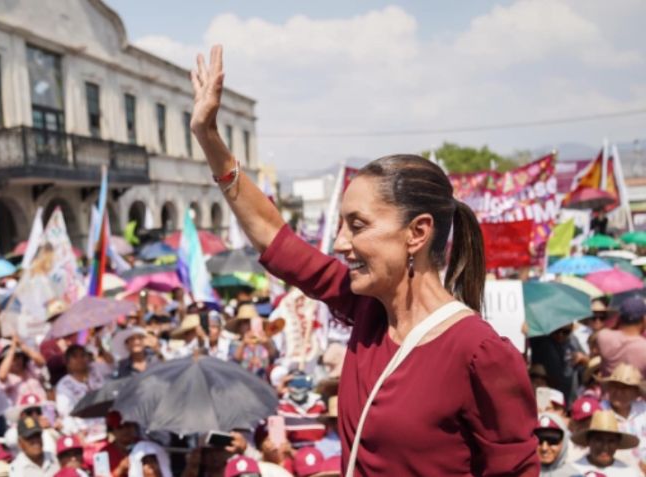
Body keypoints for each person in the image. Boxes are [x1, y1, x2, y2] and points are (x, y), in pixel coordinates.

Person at [188, 45, 538, 474]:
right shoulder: (368, 310)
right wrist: (208, 137)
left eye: (357, 225)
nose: (338, 243)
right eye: (340, 226)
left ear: (417, 233)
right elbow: (275, 240)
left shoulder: (480, 353)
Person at [558, 410, 640, 476]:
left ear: (617, 444)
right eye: (599, 440)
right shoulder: (572, 470)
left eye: (611, 441)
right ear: (589, 440)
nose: (605, 447)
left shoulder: (628, 473)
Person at [598, 363, 646, 469]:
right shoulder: (600, 411)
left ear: (636, 392)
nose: (619, 392)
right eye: (614, 386)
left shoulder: (643, 410)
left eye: (625, 388)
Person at [55, 344, 104, 435]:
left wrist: (100, 345)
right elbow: (65, 413)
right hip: (85, 431)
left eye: (82, 355)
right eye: (75, 357)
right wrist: (77, 432)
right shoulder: (64, 385)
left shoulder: (97, 371)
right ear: (67, 362)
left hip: (107, 425)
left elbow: (112, 365)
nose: (80, 359)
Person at [596, 297, 646, 378]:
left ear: (619, 318)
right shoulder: (644, 347)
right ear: (644, 319)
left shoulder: (603, 337)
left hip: (607, 389)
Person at [277, 371, 326, 445]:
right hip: (291, 454)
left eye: (301, 381)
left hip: (318, 453)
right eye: (293, 382)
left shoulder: (320, 404)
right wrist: (279, 389)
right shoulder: (280, 406)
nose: (298, 387)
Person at [0, 334, 47, 405]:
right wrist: (12, 349)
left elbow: (42, 362)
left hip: (42, 407)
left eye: (18, 357)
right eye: (13, 359)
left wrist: (22, 345)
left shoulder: (30, 368)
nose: (17, 361)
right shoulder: (8, 377)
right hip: (23, 413)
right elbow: (2, 376)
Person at [568, 396, 601, 463]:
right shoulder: (565, 447)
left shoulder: (609, 448)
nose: (587, 426)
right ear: (573, 423)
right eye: (582, 422)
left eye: (592, 421)